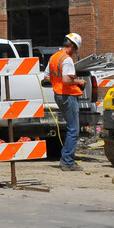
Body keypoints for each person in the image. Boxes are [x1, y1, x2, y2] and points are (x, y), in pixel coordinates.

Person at [47, 32, 86, 171]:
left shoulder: (54, 57)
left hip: (58, 95)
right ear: (73, 46)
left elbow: (47, 77)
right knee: (73, 129)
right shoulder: (67, 59)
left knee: (71, 128)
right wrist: (79, 81)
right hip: (67, 96)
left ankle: (66, 159)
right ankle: (67, 161)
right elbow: (66, 80)